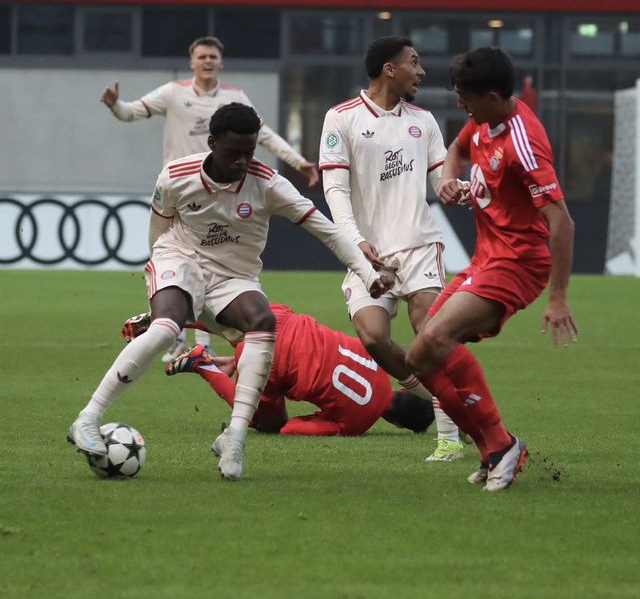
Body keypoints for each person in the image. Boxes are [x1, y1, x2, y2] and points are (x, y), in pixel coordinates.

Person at [68, 103, 391, 481]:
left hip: (234, 277)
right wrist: (165, 283)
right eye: (233, 152)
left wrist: (368, 275)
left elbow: (328, 231)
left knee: (263, 321)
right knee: (165, 329)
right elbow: (158, 235)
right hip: (180, 258)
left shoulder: (269, 184)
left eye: (249, 152)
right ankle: (87, 419)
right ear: (212, 143)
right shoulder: (175, 176)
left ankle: (235, 437)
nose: (242, 161)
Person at [406, 46, 579, 492]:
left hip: (518, 264)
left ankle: (501, 445)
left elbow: (562, 223)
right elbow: (456, 152)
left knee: (437, 338)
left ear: (492, 95)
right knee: (420, 357)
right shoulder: (482, 124)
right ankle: (493, 449)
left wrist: (557, 298)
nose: (459, 103)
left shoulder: (524, 142)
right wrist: (448, 179)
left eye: (465, 95)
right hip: (486, 258)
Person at [100, 35, 320, 361]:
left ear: (220, 63)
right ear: (192, 62)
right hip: (182, 194)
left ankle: (190, 339)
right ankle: (175, 330)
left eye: (212, 57)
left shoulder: (234, 98)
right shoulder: (173, 92)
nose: (207, 61)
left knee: (213, 264)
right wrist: (116, 105)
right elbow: (133, 112)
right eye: (201, 56)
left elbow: (266, 135)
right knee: (179, 263)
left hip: (222, 192)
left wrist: (298, 161)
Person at [319, 36, 465, 462]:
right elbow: (335, 188)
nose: (421, 72)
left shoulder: (424, 121)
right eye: (414, 63)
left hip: (419, 243)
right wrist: (354, 241)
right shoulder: (341, 118)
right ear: (389, 68)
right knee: (373, 338)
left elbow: (442, 182)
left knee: (429, 331)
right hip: (365, 250)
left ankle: (450, 438)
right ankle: (451, 403)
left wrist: (460, 190)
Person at [122, 303, 435, 437]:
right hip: (277, 364)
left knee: (237, 325)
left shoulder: (381, 362)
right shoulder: (355, 425)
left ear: (405, 388)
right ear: (397, 425)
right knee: (268, 423)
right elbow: (291, 429)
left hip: (284, 318)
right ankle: (203, 364)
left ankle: (174, 317)